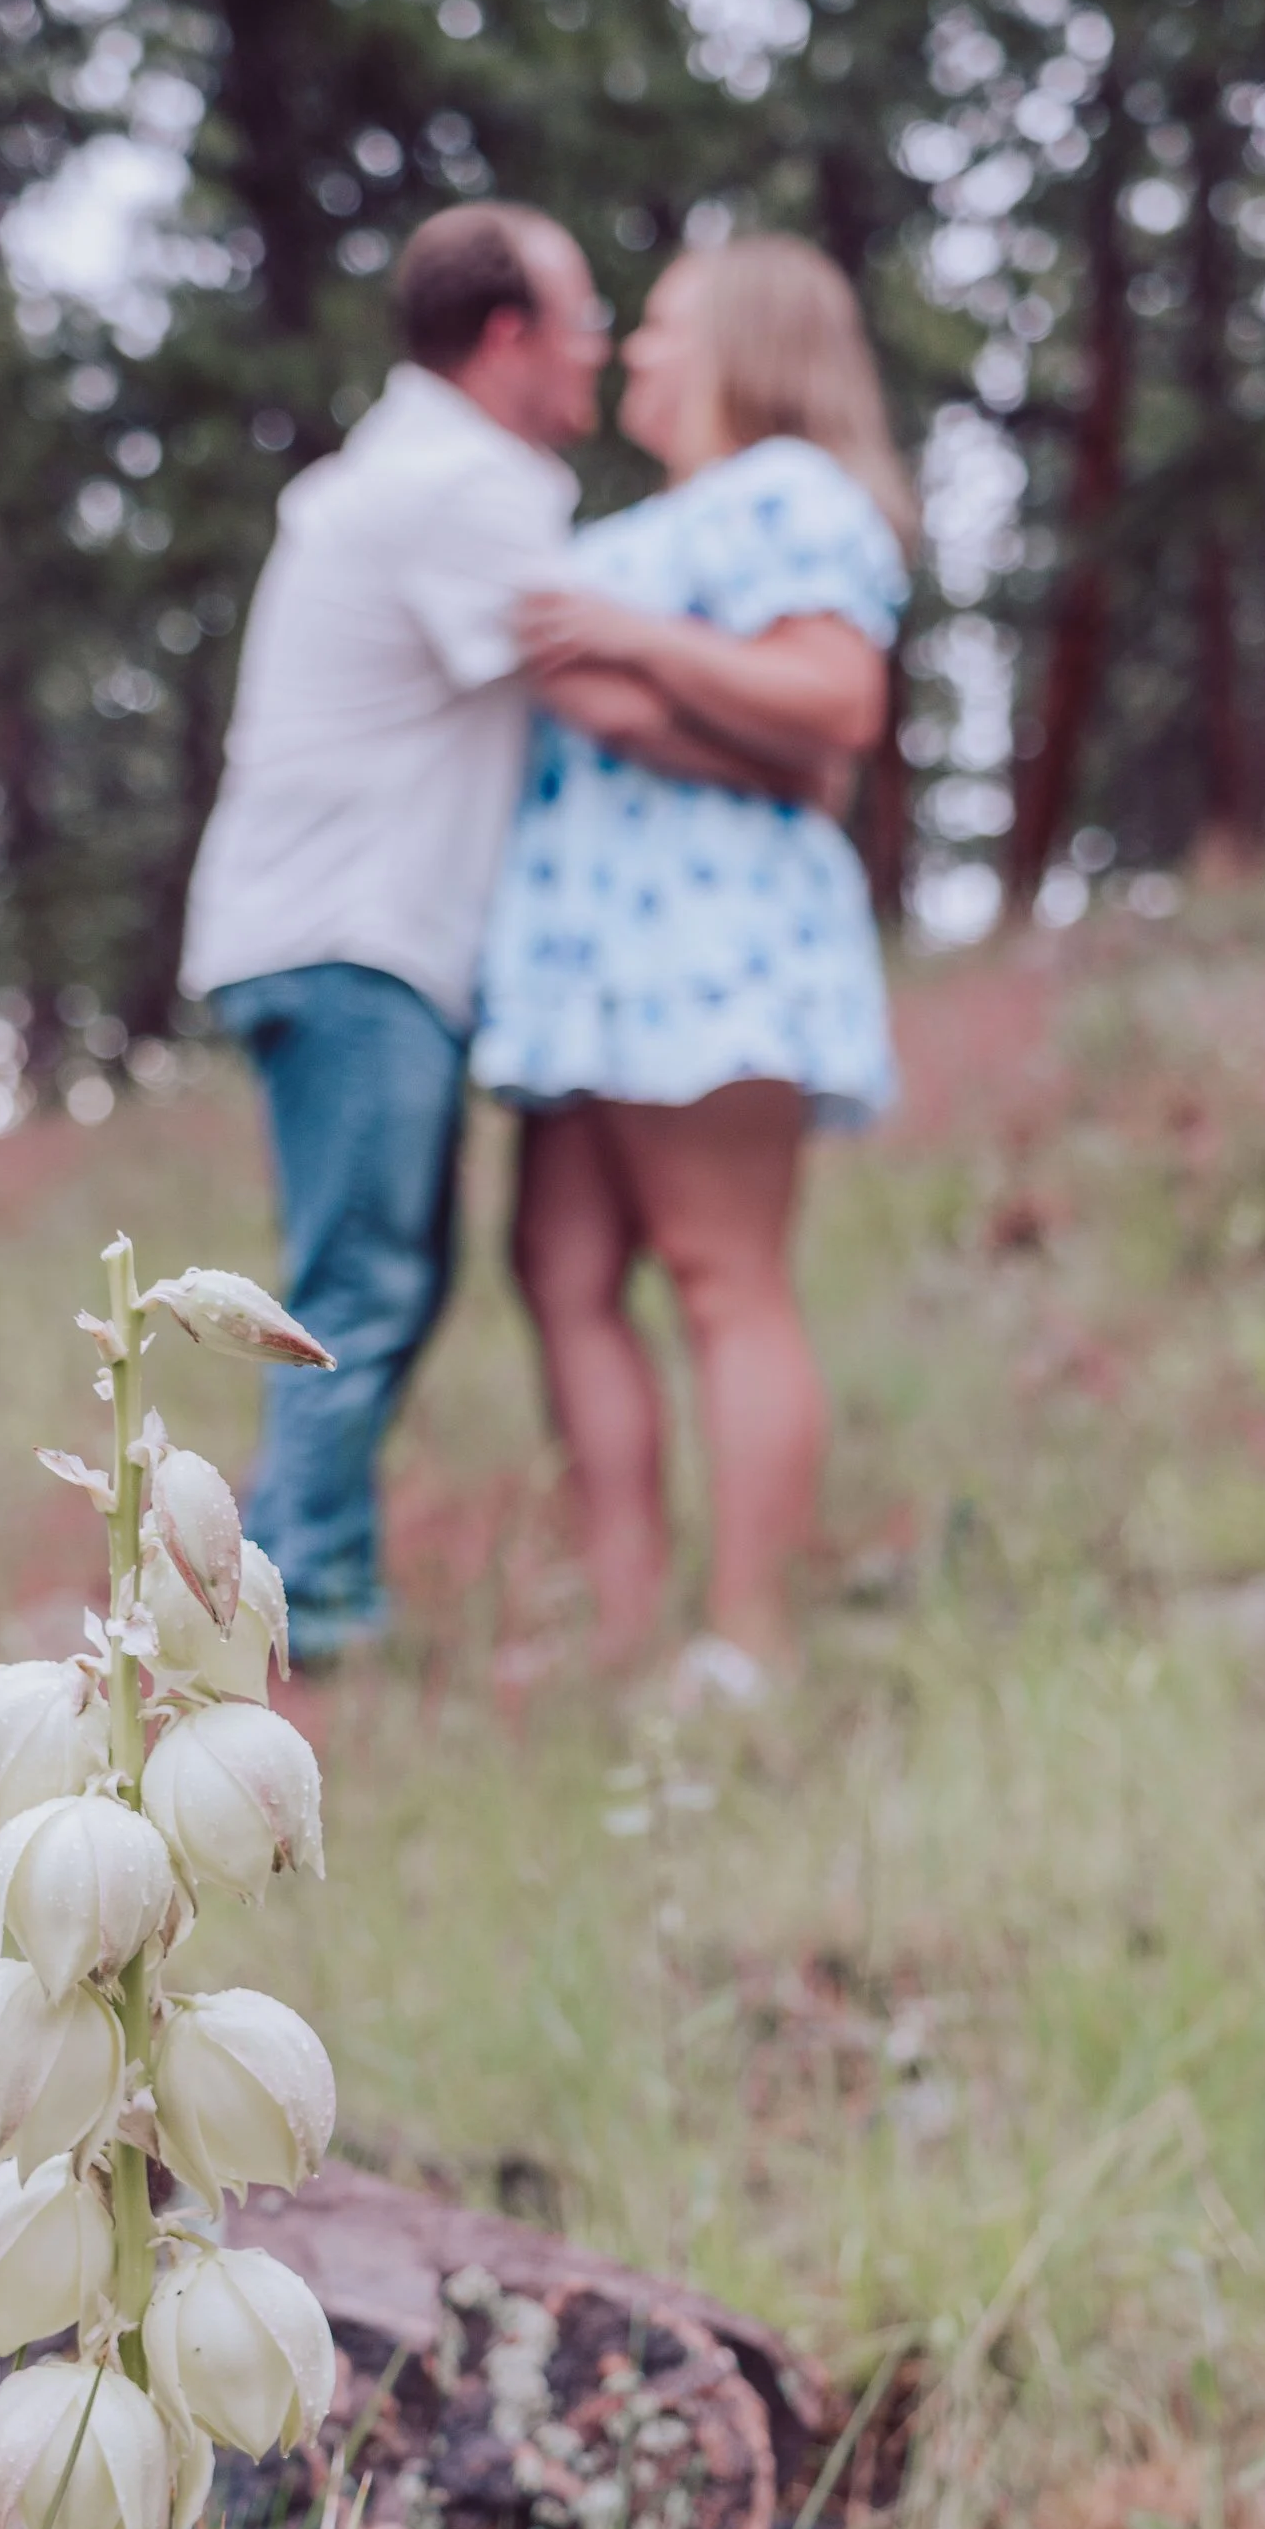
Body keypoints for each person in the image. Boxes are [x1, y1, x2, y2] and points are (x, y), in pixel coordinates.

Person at [472, 233, 917, 1692]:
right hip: (592, 953)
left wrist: (636, 647)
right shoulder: (655, 521)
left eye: (663, 326)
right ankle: (620, 1628)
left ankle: (747, 1637)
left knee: (727, 1280)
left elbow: (834, 702)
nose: (635, 353)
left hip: (713, 938)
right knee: (563, 1272)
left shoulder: (794, 491)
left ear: (747, 344)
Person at [177, 205, 603, 1664]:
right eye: (584, 320)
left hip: (340, 935)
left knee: (380, 1282)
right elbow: (591, 678)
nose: (600, 350)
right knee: (361, 1285)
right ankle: (297, 1615)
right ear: (509, 334)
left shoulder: (412, 470)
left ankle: (263, 1585)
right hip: (351, 937)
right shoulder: (462, 483)